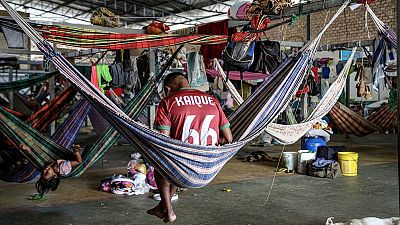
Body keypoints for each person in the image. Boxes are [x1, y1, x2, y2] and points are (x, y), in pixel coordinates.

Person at [147, 72, 232, 223]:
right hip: (208, 167)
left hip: (184, 164)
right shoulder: (212, 100)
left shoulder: (168, 101)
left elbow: (164, 142)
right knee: (176, 163)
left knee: (162, 162)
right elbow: (228, 138)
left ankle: (168, 209)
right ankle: (161, 208)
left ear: (168, 88)